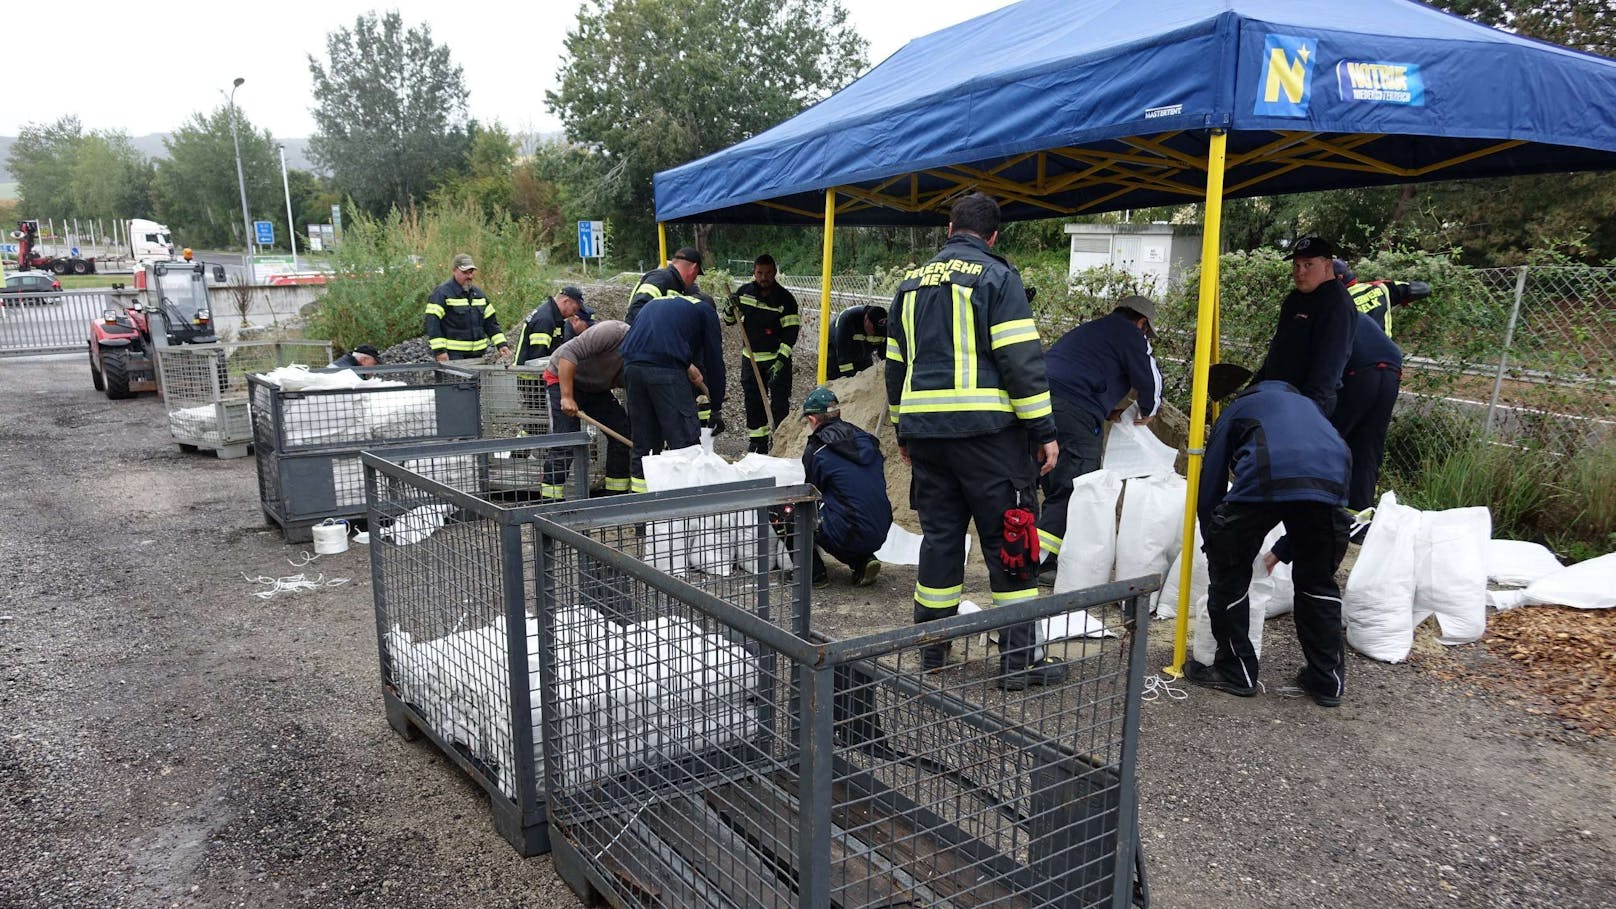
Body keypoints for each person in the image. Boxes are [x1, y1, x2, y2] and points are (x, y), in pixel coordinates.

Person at [885, 192, 1066, 690]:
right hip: (988, 437)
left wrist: (904, 428)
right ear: (992, 237)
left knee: (942, 540)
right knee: (1011, 538)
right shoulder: (997, 278)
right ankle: (1019, 663)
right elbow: (1020, 362)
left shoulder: (910, 285)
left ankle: (933, 651)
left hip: (926, 438)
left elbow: (896, 366)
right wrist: (1043, 432)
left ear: (948, 229)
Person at [1187, 380, 1352, 707]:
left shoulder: (1237, 410)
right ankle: (1326, 681)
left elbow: (1211, 484)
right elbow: (1315, 493)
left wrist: (1215, 543)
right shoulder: (1311, 411)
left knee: (1229, 575)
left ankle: (1237, 671)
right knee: (1317, 582)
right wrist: (1286, 549)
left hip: (1266, 472)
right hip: (1334, 477)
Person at [1036, 296, 1163, 582]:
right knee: (1076, 486)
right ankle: (1041, 563)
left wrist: (1104, 409)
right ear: (1141, 322)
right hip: (1074, 412)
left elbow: (1075, 372)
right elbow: (1151, 380)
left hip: (1039, 404)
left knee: (1049, 481)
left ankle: (1028, 554)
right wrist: (1149, 410)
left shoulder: (1091, 330)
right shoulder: (1130, 333)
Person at [619, 289, 726, 493]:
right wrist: (716, 408)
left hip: (631, 369)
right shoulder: (705, 311)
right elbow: (714, 361)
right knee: (685, 445)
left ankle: (642, 517)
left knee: (644, 446)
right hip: (665, 371)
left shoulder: (658, 304)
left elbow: (658, 343)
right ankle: (683, 515)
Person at [1247, 236, 1356, 416]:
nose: (1300, 272)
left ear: (1327, 265)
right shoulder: (1294, 300)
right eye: (1296, 266)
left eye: (1308, 265)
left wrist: (1308, 410)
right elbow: (1278, 351)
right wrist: (1252, 390)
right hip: (1277, 396)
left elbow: (1329, 366)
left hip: (1308, 404)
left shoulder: (1336, 304)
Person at [800, 387, 892, 587]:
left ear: (813, 420)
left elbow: (811, 496)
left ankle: (813, 575)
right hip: (882, 527)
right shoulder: (864, 438)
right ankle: (863, 561)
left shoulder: (817, 449)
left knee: (792, 513)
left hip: (850, 531)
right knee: (846, 511)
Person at [544, 319, 633, 496]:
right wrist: (567, 397)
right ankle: (549, 503)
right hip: (563, 379)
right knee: (565, 442)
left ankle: (615, 498)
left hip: (595, 388)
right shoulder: (612, 332)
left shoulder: (645, 353)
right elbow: (567, 354)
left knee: (622, 432)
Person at [726, 254, 800, 453]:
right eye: (759, 273)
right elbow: (729, 321)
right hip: (751, 359)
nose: (763, 277)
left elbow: (791, 333)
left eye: (768, 273)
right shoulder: (744, 293)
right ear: (754, 272)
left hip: (776, 361)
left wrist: (781, 360)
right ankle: (757, 442)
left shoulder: (785, 299)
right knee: (753, 401)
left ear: (774, 273)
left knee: (779, 403)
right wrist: (728, 308)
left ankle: (778, 441)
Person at [425, 253, 510, 362]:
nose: (469, 276)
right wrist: (439, 351)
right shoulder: (442, 293)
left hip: (477, 356)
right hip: (452, 356)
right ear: (454, 270)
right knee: (452, 380)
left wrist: (502, 345)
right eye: (465, 272)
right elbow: (432, 323)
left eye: (471, 272)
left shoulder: (479, 295)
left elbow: (491, 323)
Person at [1333, 259, 1429, 338]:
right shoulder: (1381, 287)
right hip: (1387, 355)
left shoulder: (1334, 305)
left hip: (1356, 359)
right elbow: (1423, 289)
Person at [512, 286, 593, 367]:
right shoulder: (545, 320)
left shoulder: (552, 316)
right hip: (529, 376)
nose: (573, 314)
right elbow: (537, 359)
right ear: (566, 301)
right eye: (574, 309)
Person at [625, 247, 704, 323]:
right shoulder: (660, 279)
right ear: (693, 268)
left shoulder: (678, 285)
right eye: (696, 275)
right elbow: (637, 310)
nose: (695, 279)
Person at [829, 304, 888, 378]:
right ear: (866, 320)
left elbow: (884, 355)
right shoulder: (847, 321)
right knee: (836, 376)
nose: (873, 335)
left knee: (864, 376)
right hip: (835, 349)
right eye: (873, 330)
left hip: (863, 352)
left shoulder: (885, 328)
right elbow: (843, 357)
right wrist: (850, 380)